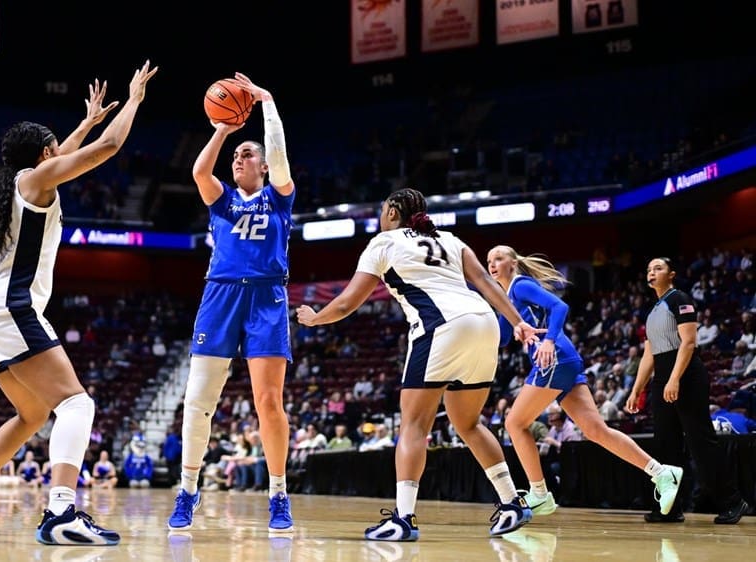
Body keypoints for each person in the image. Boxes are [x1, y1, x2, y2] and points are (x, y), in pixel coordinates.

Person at [0, 60, 157, 547]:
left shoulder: (21, 184)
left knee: (33, 415)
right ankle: (62, 512)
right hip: (8, 311)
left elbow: (69, 155)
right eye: (55, 147)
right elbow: (110, 148)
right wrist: (135, 99)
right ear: (43, 154)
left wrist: (83, 123)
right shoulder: (34, 181)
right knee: (77, 403)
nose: (61, 153)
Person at [296, 188, 540, 541]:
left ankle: (404, 518)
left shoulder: (384, 242)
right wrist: (517, 321)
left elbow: (348, 303)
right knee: (469, 423)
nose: (380, 216)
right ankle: (512, 502)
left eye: (382, 208)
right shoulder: (451, 239)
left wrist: (316, 318)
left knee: (413, 426)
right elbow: (486, 282)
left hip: (442, 327)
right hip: (485, 322)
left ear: (393, 211)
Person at [168, 72, 296, 534]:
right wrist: (224, 128)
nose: (239, 158)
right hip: (220, 293)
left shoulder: (279, 199)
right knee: (198, 399)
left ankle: (278, 495)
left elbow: (278, 158)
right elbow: (200, 172)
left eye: (247, 154)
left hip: (267, 296)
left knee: (268, 402)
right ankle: (187, 490)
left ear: (262, 167)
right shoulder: (221, 200)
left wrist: (267, 103)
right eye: (237, 155)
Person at [486, 245, 683, 517]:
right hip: (564, 361)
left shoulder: (520, 285)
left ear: (513, 262)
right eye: (488, 260)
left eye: (498, 258)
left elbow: (559, 305)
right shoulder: (508, 297)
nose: (492, 263)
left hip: (554, 358)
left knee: (514, 423)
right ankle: (662, 473)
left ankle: (540, 493)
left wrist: (549, 341)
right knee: (595, 431)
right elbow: (503, 337)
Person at [625, 257, 749, 524]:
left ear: (672, 274)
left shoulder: (678, 298)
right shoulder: (653, 310)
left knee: (700, 441)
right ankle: (669, 508)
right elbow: (649, 353)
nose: (651, 272)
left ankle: (732, 501)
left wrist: (674, 378)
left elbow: (689, 342)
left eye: (658, 268)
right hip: (662, 375)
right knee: (664, 445)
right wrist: (637, 389)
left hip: (686, 375)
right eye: (648, 269)